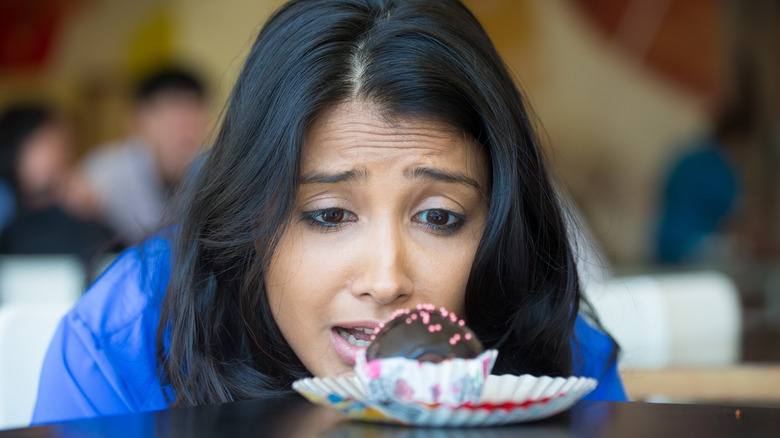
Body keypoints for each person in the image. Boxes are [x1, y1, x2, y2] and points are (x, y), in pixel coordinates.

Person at [32, 0, 626, 425]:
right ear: (246, 216)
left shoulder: (548, 347)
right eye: (328, 214)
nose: (386, 280)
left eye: (439, 218)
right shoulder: (124, 343)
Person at [76, 67, 209, 244]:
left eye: (194, 110)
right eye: (173, 111)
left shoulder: (212, 167)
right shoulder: (104, 170)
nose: (186, 126)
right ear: (136, 120)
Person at [0, 104, 112, 263]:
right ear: (12, 147)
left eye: (65, 145)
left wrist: (89, 217)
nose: (59, 156)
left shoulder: (79, 213)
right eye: (44, 143)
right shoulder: (5, 204)